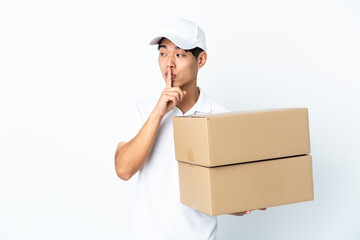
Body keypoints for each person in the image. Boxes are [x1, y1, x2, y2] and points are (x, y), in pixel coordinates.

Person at [114, 19, 263, 240]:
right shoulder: (143, 109)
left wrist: (243, 203)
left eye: (180, 54)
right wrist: (158, 114)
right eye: (163, 53)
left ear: (200, 60)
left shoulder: (222, 117)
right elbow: (123, 170)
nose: (169, 64)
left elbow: (233, 195)